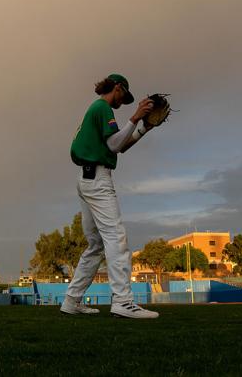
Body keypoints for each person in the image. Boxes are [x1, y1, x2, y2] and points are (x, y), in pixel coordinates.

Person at [62, 73, 159, 319]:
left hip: (86, 178)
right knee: (115, 238)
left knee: (95, 245)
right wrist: (135, 116)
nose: (122, 102)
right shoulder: (103, 107)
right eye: (123, 96)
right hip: (97, 180)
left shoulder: (97, 109)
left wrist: (143, 128)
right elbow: (115, 145)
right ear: (117, 88)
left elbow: (119, 144)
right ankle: (123, 302)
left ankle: (72, 301)